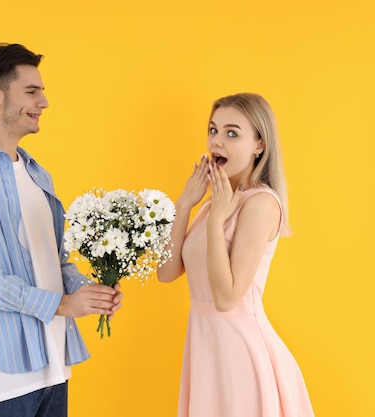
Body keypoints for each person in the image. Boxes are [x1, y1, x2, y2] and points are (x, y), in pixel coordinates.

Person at [0, 43, 123, 417]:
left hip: (52, 366)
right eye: (32, 91)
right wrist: (64, 305)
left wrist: (90, 292)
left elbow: (56, 261)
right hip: (0, 378)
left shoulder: (38, 174)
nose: (44, 101)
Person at [157, 93, 314, 416]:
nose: (217, 142)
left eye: (232, 133)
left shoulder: (259, 204)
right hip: (205, 347)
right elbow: (166, 272)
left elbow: (227, 298)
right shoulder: (217, 200)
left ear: (259, 145)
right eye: (213, 130)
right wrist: (185, 203)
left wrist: (216, 221)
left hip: (239, 352)